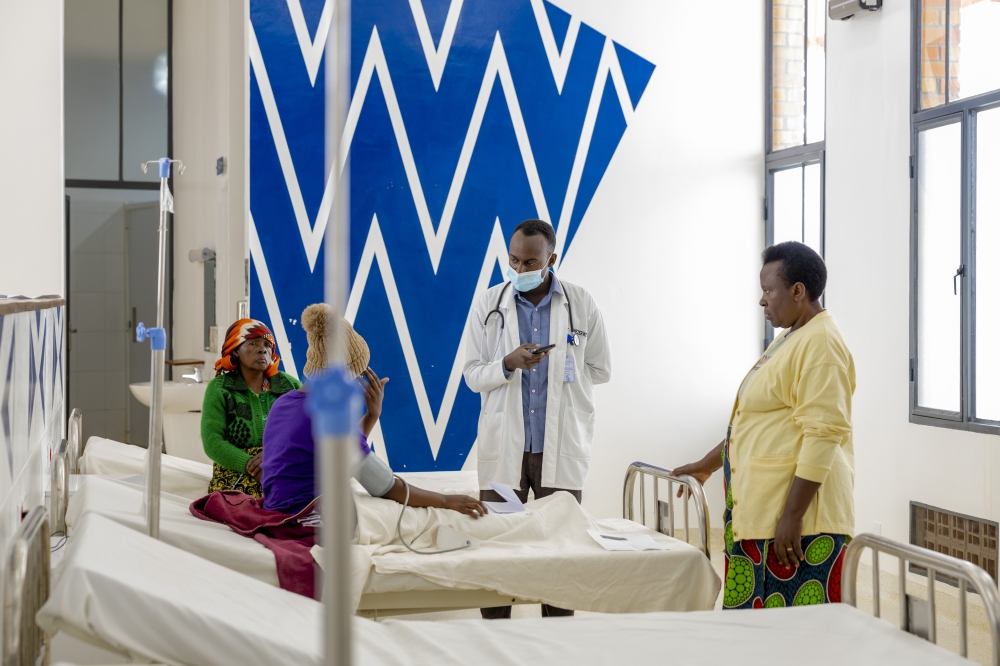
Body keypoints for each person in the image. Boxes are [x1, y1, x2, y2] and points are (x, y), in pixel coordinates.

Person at [673, 241, 856, 610]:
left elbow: (823, 434)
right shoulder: (792, 338)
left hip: (798, 525)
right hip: (761, 514)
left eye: (768, 290)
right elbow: (753, 422)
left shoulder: (820, 344)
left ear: (798, 291)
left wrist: (793, 515)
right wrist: (709, 465)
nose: (762, 301)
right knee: (753, 636)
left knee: (797, 639)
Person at [462, 218, 611, 619]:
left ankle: (556, 638)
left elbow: (600, 369)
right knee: (497, 550)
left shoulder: (581, 303)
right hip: (504, 447)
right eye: (513, 261)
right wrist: (507, 364)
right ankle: (498, 639)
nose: (520, 271)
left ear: (551, 259)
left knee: (562, 552)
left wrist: (564, 368)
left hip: (558, 448)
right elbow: (472, 374)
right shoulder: (489, 303)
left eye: (530, 263)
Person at [261, 303, 486, 518]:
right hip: (306, 514)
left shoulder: (283, 403)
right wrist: (446, 502)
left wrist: (371, 415)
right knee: (401, 513)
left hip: (277, 506)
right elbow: (384, 485)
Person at [201, 319, 301, 497]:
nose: (262, 349)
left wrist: (272, 455)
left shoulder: (289, 385)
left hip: (283, 467)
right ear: (236, 350)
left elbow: (307, 430)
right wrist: (251, 466)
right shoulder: (220, 388)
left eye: (267, 345)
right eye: (253, 343)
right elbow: (212, 442)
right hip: (234, 474)